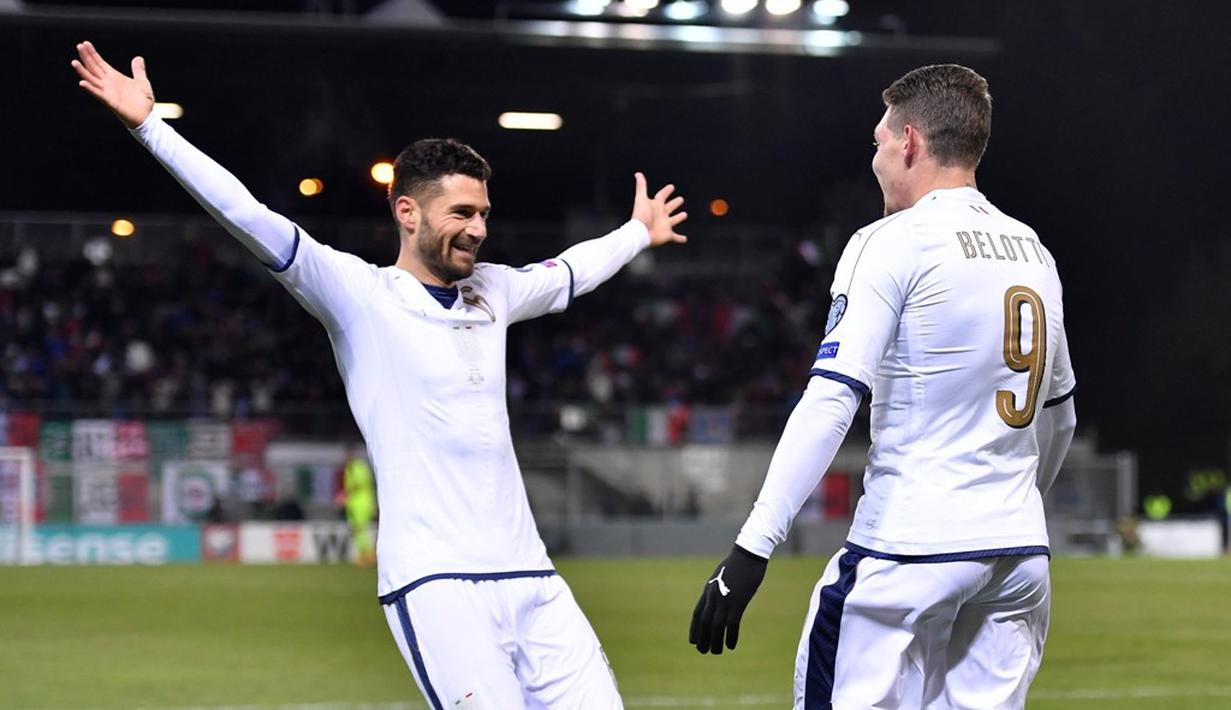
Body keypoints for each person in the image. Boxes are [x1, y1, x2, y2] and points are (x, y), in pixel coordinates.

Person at [73, 40, 687, 709]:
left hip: (533, 578)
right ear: (408, 213)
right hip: (435, 585)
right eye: (461, 212)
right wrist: (151, 126)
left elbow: (572, 271)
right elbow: (248, 215)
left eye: (483, 212)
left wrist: (634, 232)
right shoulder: (358, 295)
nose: (479, 228)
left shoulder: (496, 292)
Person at [689, 64, 1077, 710]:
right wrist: (1012, 502)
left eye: (876, 143)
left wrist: (751, 549)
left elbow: (832, 396)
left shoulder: (891, 241)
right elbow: (1059, 418)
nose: (873, 160)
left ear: (908, 143)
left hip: (912, 547)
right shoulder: (1032, 250)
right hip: (1017, 558)